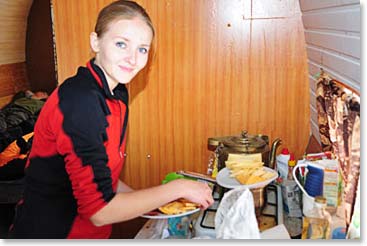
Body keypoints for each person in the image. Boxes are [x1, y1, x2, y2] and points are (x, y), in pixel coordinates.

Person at [8, 0, 214, 239]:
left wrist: (152, 203)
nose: (132, 58)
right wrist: (176, 188)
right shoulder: (81, 102)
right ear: (95, 42)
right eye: (121, 44)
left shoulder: (115, 93)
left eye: (142, 49)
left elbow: (104, 178)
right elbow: (99, 210)